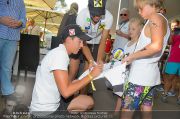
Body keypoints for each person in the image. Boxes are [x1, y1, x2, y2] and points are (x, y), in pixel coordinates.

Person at [30, 24, 103, 118]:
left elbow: (60, 84)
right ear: (69, 39)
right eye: (79, 41)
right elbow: (65, 93)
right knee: (87, 101)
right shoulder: (60, 56)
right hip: (44, 112)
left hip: (51, 105)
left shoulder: (60, 53)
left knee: (88, 101)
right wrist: (91, 75)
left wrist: (75, 83)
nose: (81, 45)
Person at [121, 0, 170, 119]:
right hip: (150, 75)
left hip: (139, 78)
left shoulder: (155, 19)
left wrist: (132, 56)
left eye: (141, 8)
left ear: (153, 5)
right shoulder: (161, 19)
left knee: (126, 111)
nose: (138, 11)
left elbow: (156, 46)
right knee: (146, 109)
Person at [114, 17, 144, 113]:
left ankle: (126, 112)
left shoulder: (140, 45)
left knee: (129, 101)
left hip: (134, 77)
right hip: (125, 75)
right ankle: (116, 112)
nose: (130, 31)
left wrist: (127, 61)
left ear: (140, 30)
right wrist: (116, 59)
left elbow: (137, 60)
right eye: (129, 29)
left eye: (133, 29)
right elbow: (123, 56)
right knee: (120, 94)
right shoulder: (127, 44)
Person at [0, 0, 26, 98]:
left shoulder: (21, 1)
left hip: (13, 37)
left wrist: (20, 22)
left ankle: (7, 91)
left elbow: (24, 18)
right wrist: (1, 19)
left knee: (7, 66)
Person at [161, 19, 180, 104]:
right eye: (172, 26)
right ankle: (165, 94)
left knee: (177, 78)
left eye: (176, 26)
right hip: (174, 59)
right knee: (169, 77)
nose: (174, 27)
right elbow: (170, 42)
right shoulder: (173, 34)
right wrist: (171, 34)